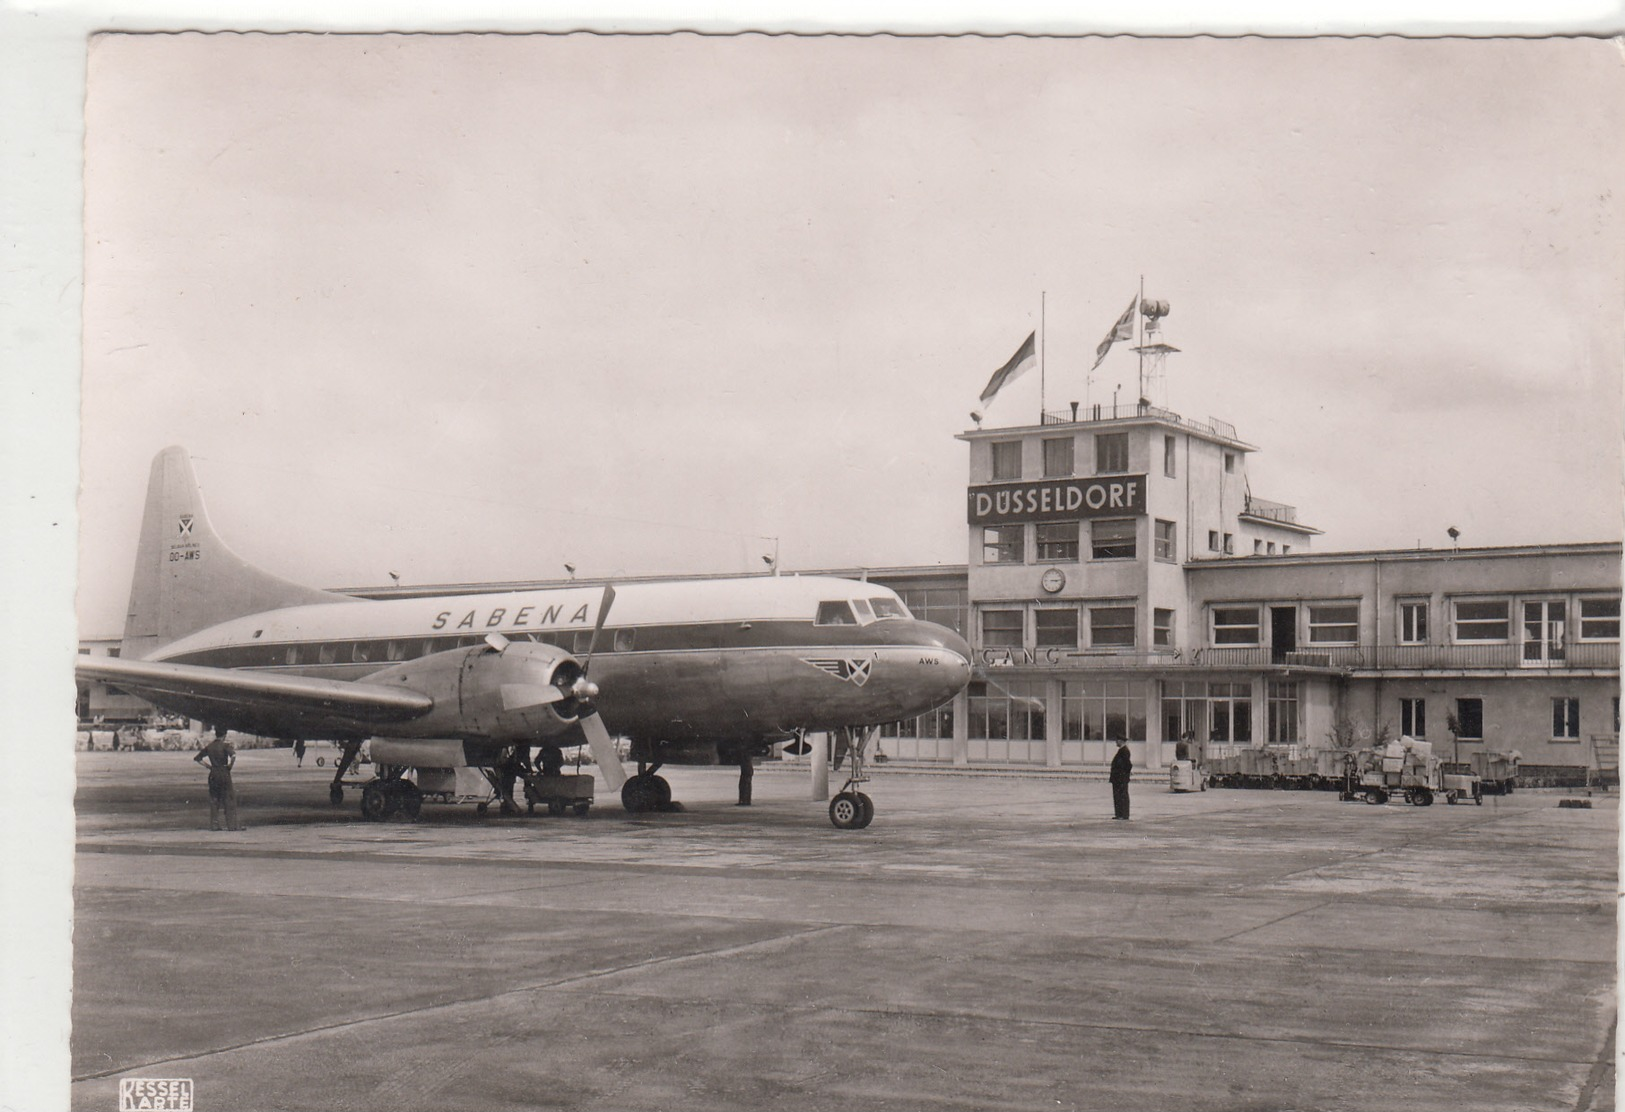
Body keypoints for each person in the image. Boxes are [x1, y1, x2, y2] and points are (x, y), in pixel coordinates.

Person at [193, 726, 244, 831]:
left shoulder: (210, 746)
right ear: (224, 735)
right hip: (224, 772)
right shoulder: (225, 746)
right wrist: (230, 765)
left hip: (213, 773)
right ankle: (232, 825)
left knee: (214, 799)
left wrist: (208, 766)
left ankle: (214, 825)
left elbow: (197, 758)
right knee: (228, 798)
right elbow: (233, 756)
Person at [1109, 738, 1133, 820]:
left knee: (1122, 796)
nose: (1116, 742)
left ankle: (1123, 814)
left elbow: (1128, 765)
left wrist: (1124, 775)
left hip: (1121, 779)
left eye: (1117, 740)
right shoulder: (1121, 750)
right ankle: (1119, 814)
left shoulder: (1124, 751)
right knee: (1118, 796)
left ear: (1121, 741)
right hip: (1118, 779)